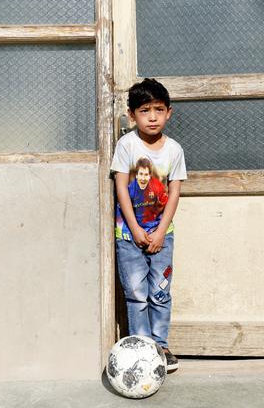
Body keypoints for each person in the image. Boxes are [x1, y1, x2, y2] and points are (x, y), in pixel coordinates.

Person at [110, 78, 187, 373]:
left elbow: (175, 192)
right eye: (144, 110)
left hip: (162, 236)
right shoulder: (126, 145)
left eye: (158, 109)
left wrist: (159, 231)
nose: (152, 117)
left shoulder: (174, 150)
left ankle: (160, 345)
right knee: (136, 293)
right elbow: (121, 190)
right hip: (129, 236)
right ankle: (141, 347)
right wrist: (136, 229)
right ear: (132, 115)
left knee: (160, 291)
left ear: (169, 112)